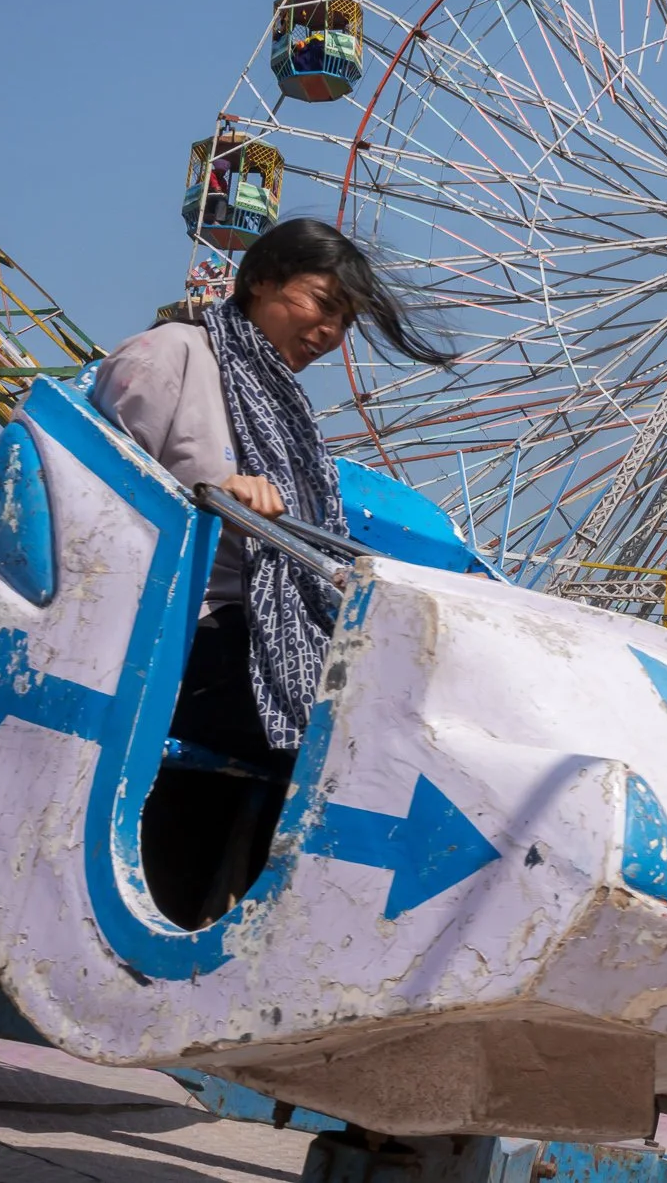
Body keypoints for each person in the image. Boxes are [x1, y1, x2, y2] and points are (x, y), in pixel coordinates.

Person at [92, 217, 451, 923]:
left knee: (384, 709)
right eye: (320, 303)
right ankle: (266, 924)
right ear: (259, 281)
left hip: (259, 631)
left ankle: (244, 917)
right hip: (173, 624)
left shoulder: (285, 403)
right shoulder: (171, 355)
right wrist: (209, 492)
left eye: (344, 321)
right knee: (336, 729)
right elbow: (92, 493)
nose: (329, 332)